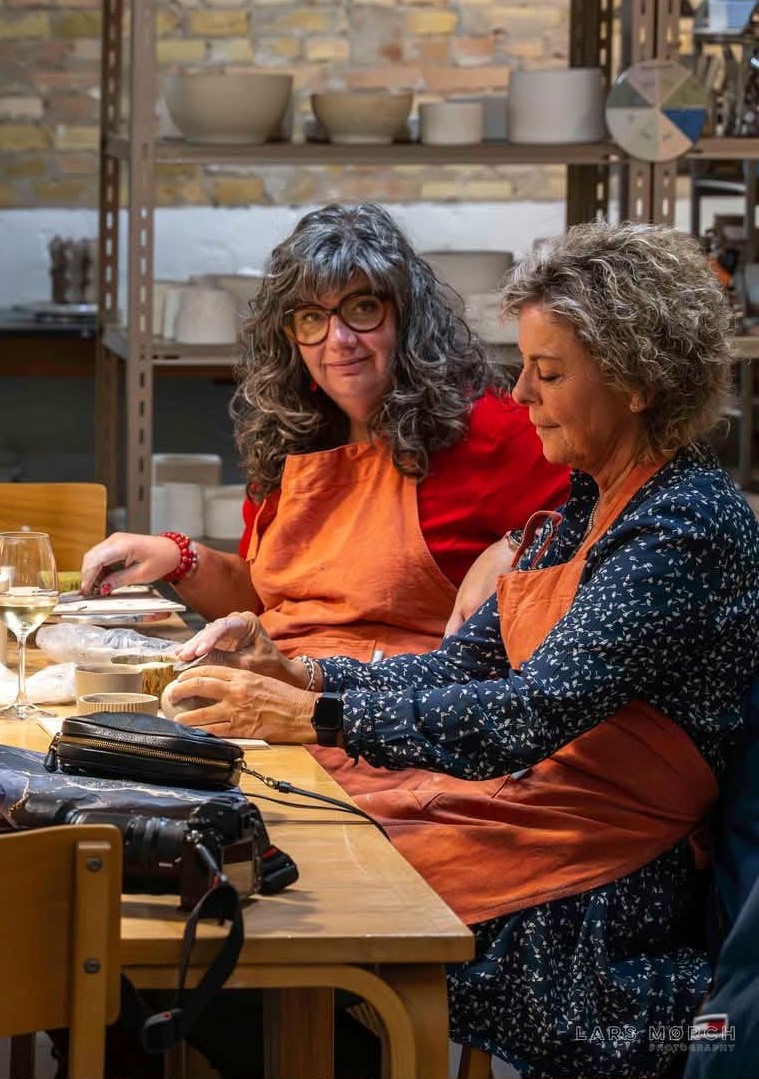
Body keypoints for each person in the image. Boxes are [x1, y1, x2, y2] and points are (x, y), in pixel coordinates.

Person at [168, 220, 759, 1078]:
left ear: (636, 382)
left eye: (547, 373)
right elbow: (459, 668)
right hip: (531, 810)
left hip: (599, 886)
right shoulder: (586, 501)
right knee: (248, 886)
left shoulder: (681, 526)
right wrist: (298, 671)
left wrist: (315, 716)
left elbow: (526, 714)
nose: (519, 395)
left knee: (272, 916)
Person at [78, 203, 569, 784]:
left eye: (362, 309)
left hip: (388, 736)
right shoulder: (293, 437)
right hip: (270, 708)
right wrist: (178, 557)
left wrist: (514, 544)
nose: (338, 339)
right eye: (311, 317)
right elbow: (270, 598)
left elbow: (600, 530)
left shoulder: (489, 429)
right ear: (290, 335)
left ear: (406, 316)